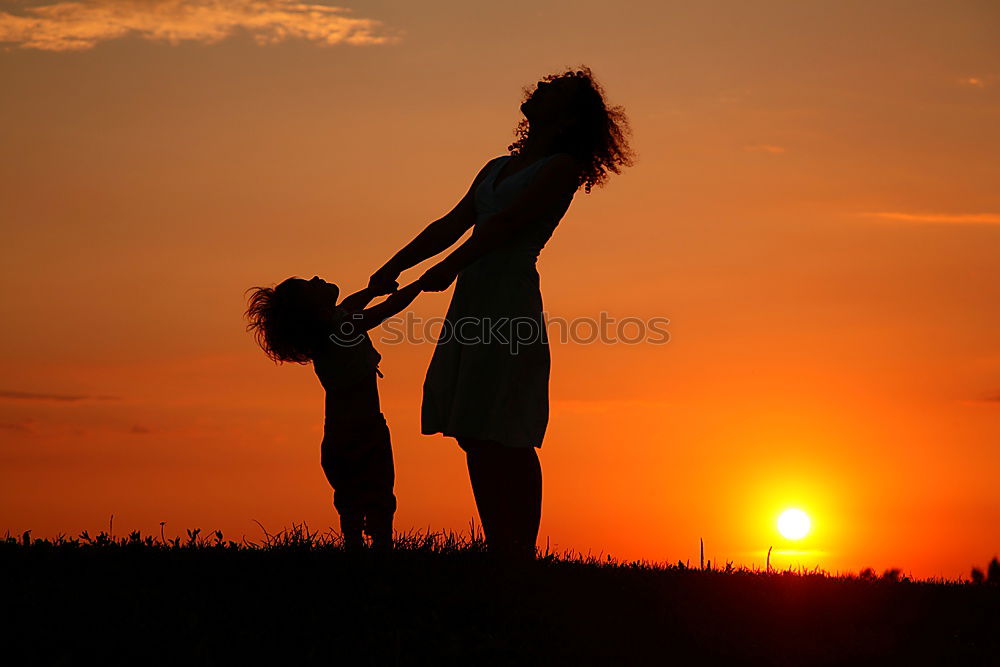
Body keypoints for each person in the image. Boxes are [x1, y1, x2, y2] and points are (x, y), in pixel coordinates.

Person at [369, 66, 634, 558]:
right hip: (474, 293)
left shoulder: (560, 167)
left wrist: (448, 268)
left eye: (555, 90)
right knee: (472, 427)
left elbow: (509, 224)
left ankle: (520, 552)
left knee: (505, 429)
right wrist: (391, 268)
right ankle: (500, 548)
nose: (541, 87)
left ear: (568, 114)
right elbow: (450, 223)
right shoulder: (494, 168)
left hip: (507, 297)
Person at [245, 276, 422, 550]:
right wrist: (422, 282)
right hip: (365, 430)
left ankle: (355, 546)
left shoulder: (333, 328)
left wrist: (372, 290)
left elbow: (352, 303)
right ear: (315, 310)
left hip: (337, 435)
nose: (317, 278)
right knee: (380, 494)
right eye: (311, 285)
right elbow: (389, 308)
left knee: (350, 500)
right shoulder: (343, 329)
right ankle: (381, 548)